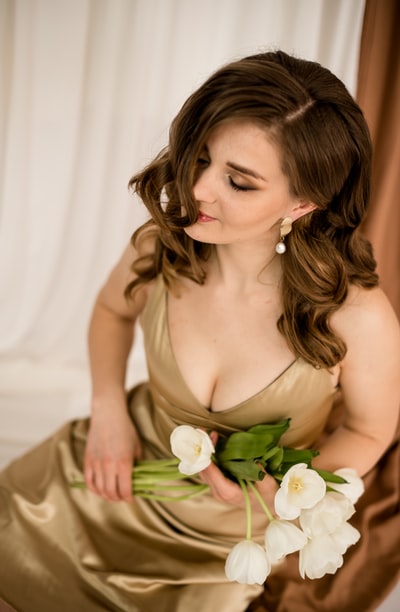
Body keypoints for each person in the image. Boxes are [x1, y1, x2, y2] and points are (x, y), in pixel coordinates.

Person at [0, 50, 399, 612]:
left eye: (238, 182)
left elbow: (368, 429)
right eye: (201, 157)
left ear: (303, 202)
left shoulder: (357, 316)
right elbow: (111, 312)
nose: (198, 189)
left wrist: (284, 494)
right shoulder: (160, 246)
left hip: (226, 539)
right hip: (109, 474)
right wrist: (108, 410)